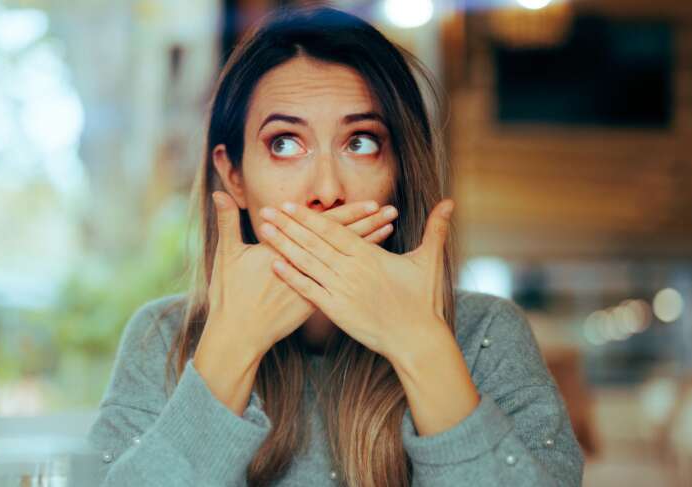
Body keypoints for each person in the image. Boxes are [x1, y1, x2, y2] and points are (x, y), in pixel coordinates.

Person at [87, 5, 584, 486]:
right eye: (284, 143)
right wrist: (231, 346)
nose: (327, 189)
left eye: (361, 142)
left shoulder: (485, 334)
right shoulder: (163, 337)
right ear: (234, 175)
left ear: (399, 172)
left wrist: (421, 345)